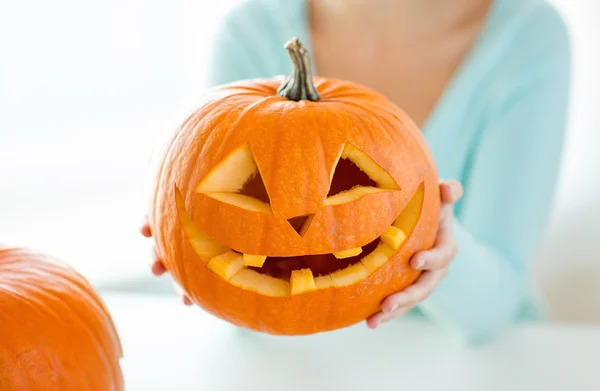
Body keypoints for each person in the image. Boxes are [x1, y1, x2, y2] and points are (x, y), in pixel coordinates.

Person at [141, 0, 571, 343]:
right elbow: (240, 296)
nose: (301, 220)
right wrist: (181, 234)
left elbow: (492, 311)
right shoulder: (249, 29)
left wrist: (438, 250)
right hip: (287, 372)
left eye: (350, 184)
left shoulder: (528, 36)